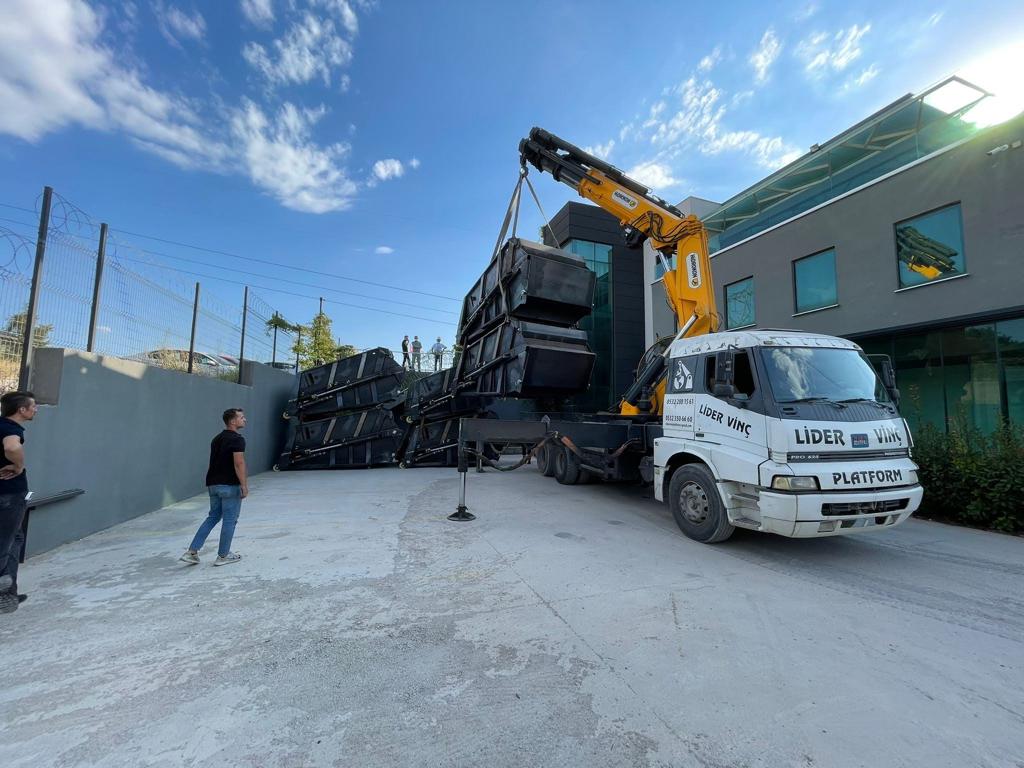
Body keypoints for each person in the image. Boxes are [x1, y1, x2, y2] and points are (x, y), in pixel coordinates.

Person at [180, 408, 248, 567]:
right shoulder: (237, 439)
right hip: (229, 486)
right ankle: (223, 556)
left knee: (213, 517)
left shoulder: (216, 439)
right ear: (233, 421)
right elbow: (239, 463)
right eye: (241, 417)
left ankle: (192, 552)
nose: (245, 420)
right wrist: (244, 485)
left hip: (213, 484)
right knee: (230, 520)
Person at [0, 391, 37, 613]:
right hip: (9, 494)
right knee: (6, 541)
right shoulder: (11, 429)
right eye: (33, 406)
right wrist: (19, 467)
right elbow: (12, 447)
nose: (36, 409)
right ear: (21, 410)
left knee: (15, 538)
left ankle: (8, 594)